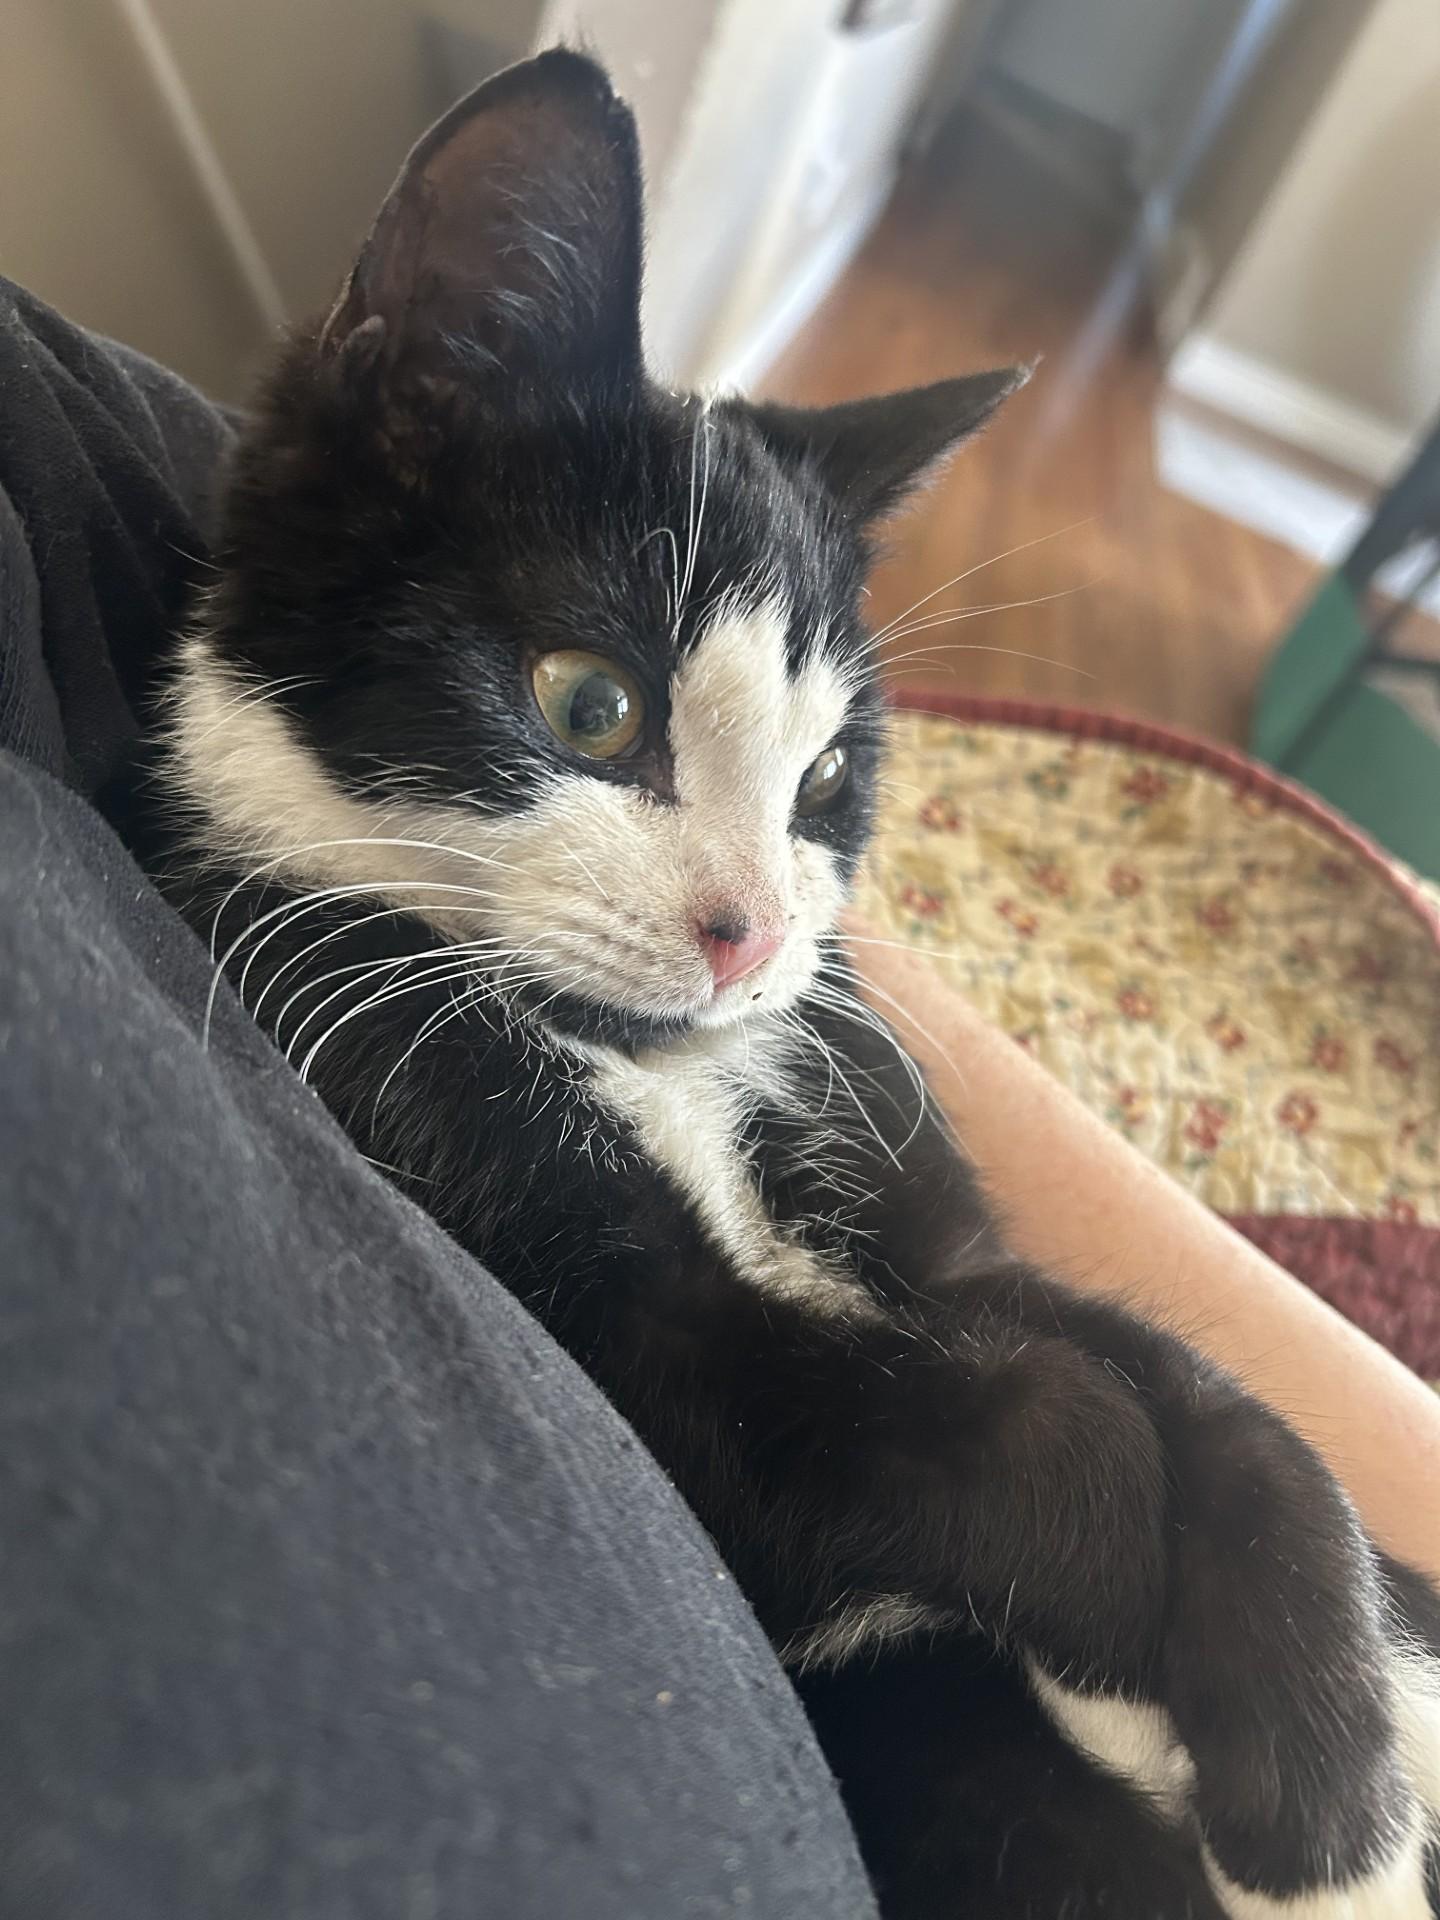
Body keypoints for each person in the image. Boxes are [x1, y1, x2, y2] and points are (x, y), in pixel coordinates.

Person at [1, 276, 1434, 1918]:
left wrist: (1256, 1500)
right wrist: (1075, 1489)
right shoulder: (328, 969)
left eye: (820, 785)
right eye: (593, 713)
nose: (749, 926)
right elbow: (672, 1380)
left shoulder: (769, 968)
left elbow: (976, 1287)